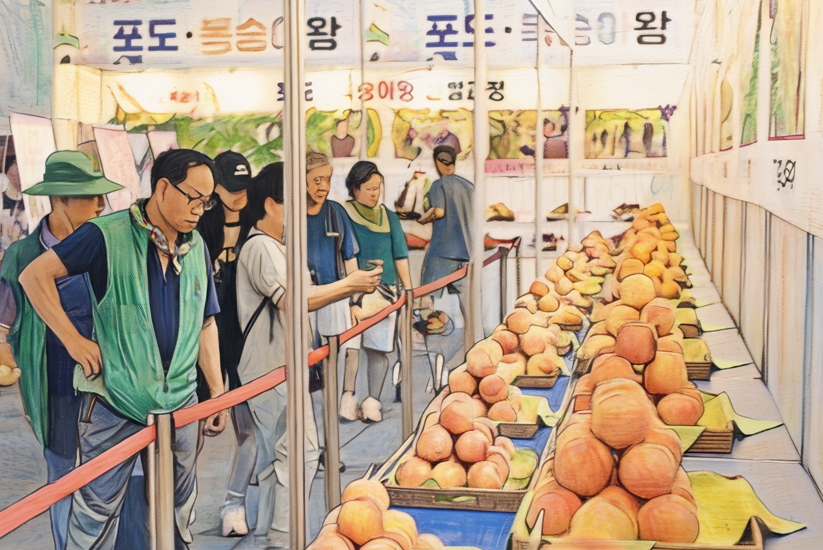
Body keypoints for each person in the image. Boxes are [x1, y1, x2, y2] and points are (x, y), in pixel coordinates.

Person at [19, 148, 229, 550]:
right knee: (95, 517)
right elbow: (34, 276)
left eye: (208, 200)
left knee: (178, 514)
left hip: (181, 405)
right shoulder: (105, 235)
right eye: (194, 198)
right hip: (116, 403)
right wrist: (73, 339)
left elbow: (206, 322)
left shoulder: (197, 245)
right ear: (163, 187)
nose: (201, 209)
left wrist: (216, 393)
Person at [236, 162, 382, 549]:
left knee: (282, 460)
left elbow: (304, 299)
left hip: (283, 367)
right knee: (294, 455)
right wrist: (349, 284)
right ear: (270, 204)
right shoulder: (261, 248)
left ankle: (277, 538)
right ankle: (282, 540)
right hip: (270, 369)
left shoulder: (277, 246)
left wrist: (347, 287)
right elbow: (294, 301)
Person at [0, 151, 123, 550]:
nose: (100, 204)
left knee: (117, 478)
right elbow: (4, 326)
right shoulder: (22, 255)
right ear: (59, 199)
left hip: (115, 383)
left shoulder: (110, 246)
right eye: (89, 196)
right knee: (63, 476)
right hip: (56, 385)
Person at [195, 150, 256, 537]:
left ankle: (234, 504)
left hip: (248, 335)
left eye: (243, 187)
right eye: (230, 188)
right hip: (206, 337)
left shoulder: (256, 220)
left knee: (249, 427)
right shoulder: (199, 222)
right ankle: (176, 508)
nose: (238, 195)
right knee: (193, 429)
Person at [341, 161, 411, 422]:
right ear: (355, 189)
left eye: (378, 188)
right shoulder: (342, 213)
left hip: (386, 294)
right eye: (369, 188)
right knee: (352, 346)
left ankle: (372, 400)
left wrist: (409, 290)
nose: (375, 193)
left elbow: (400, 255)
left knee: (378, 348)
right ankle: (348, 397)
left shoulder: (389, 217)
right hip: (350, 290)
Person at [304, 151, 361, 437]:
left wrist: (355, 301)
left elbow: (350, 260)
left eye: (326, 179)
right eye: (316, 180)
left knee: (329, 377)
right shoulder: (289, 214)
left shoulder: (336, 212)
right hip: (302, 305)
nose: (322, 186)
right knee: (307, 378)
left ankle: (329, 443)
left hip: (335, 301)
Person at [416, 145, 474, 357]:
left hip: (442, 251)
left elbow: (438, 212)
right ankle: (470, 350)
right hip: (466, 252)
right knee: (467, 307)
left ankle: (425, 346)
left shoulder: (438, 186)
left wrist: (422, 219)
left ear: (437, 162)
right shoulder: (469, 186)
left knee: (425, 298)